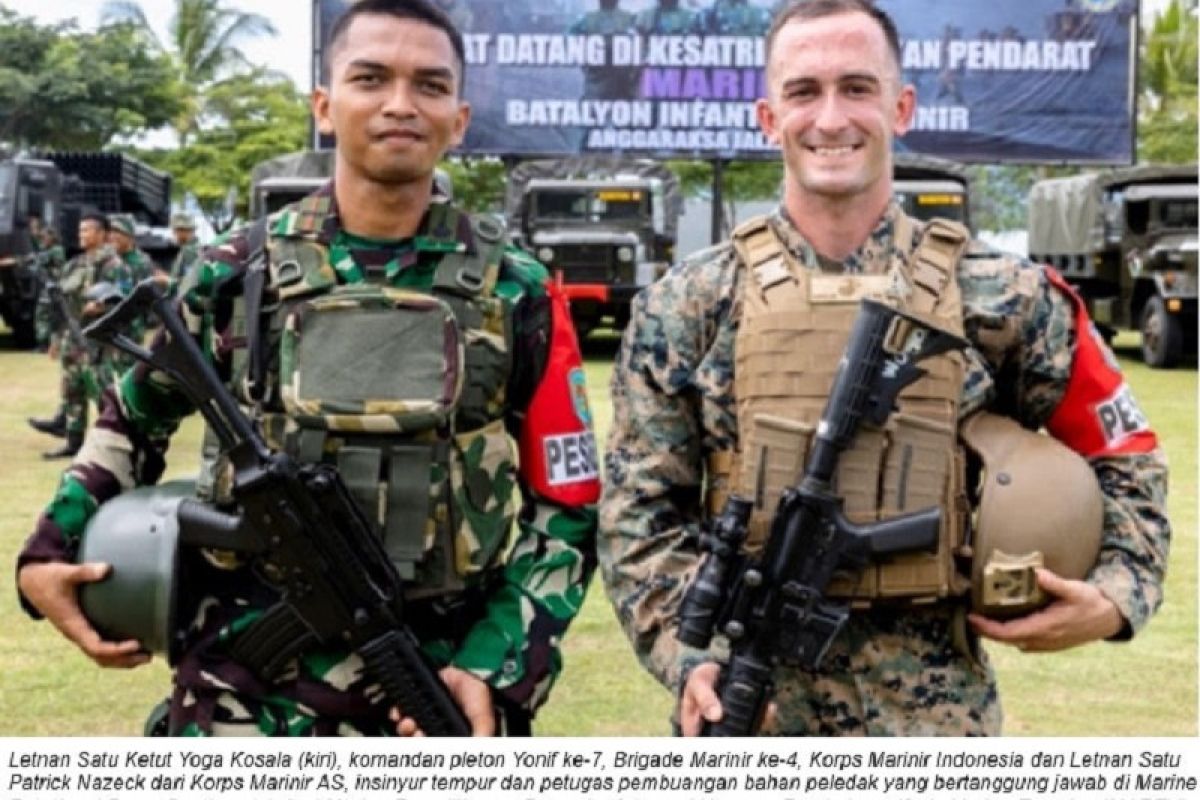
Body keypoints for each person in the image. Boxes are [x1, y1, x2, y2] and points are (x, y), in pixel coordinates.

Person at [17, 0, 600, 737]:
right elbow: (132, 417)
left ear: (459, 118)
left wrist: (497, 664)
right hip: (241, 694)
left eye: (429, 85)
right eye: (370, 78)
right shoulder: (232, 272)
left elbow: (571, 506)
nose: (399, 104)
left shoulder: (518, 290)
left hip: (439, 688)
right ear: (324, 107)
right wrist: (48, 550)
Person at [599, 0, 1169, 736]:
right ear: (768, 118)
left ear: (900, 108)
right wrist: (690, 656)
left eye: (857, 88)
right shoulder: (688, 304)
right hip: (747, 712)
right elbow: (636, 511)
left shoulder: (1004, 293)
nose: (831, 118)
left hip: (937, 723)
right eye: (804, 91)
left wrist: (1117, 594)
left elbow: (1125, 454)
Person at [26, 214, 126, 459]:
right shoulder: (74, 264)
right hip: (72, 338)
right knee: (72, 392)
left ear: (102, 233)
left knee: (103, 393)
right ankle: (74, 442)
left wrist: (102, 308)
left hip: (96, 341)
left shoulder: (113, 265)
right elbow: (62, 302)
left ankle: (116, 441)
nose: (82, 235)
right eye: (80, 231)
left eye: (88, 231)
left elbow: (123, 300)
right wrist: (56, 339)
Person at [167, 211, 202, 282]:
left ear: (193, 231)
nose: (181, 233)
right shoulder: (183, 249)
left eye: (185, 230)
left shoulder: (190, 251)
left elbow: (189, 282)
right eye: (179, 230)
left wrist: (166, 279)